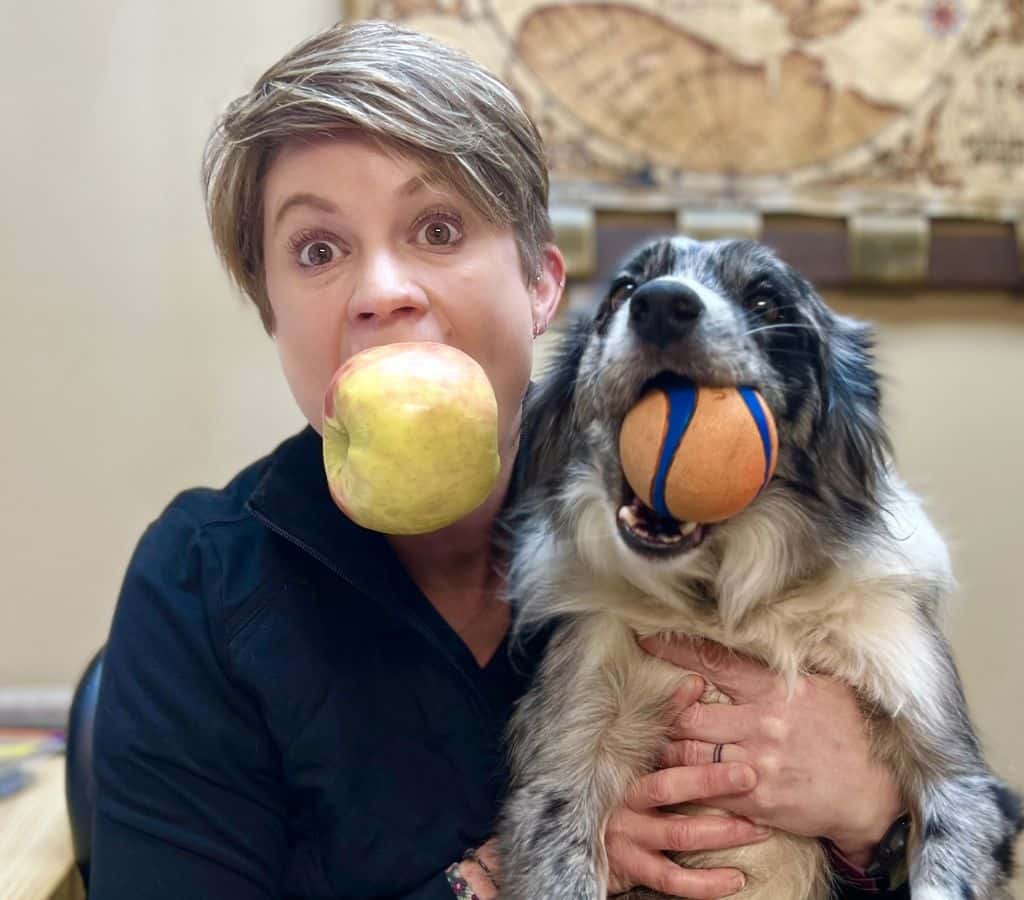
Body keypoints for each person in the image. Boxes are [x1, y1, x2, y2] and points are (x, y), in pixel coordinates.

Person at [91, 20, 909, 900]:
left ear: (541, 287)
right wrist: (506, 876)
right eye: (318, 251)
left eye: (438, 229)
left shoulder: (707, 530)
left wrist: (874, 819)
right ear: (273, 316)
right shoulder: (200, 581)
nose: (382, 293)